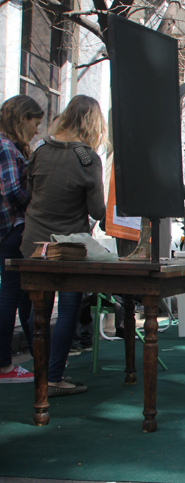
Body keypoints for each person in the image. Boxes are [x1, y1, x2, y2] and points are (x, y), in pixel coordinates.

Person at [21, 95, 107, 396]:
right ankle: (53, 375)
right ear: (94, 124)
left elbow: (30, 191)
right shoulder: (87, 158)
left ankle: (41, 368)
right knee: (69, 307)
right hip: (69, 245)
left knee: (37, 309)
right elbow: (97, 209)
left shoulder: (41, 149)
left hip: (34, 241)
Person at [0, 95, 43, 383]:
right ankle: (4, 365)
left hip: (10, 228)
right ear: (22, 118)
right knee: (10, 297)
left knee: (15, 296)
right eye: (35, 123)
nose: (36, 130)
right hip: (11, 229)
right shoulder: (5, 147)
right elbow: (14, 192)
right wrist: (38, 198)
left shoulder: (8, 147)